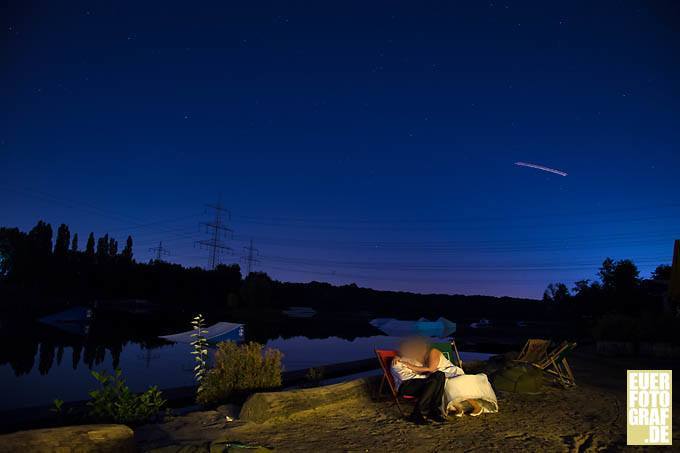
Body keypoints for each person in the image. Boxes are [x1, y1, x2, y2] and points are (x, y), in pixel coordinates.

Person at [391, 338, 447, 424]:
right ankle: (418, 413)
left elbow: (425, 370)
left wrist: (419, 371)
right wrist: (424, 374)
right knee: (432, 381)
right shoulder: (397, 363)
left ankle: (434, 411)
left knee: (440, 374)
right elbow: (406, 377)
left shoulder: (412, 361)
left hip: (420, 384)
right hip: (406, 386)